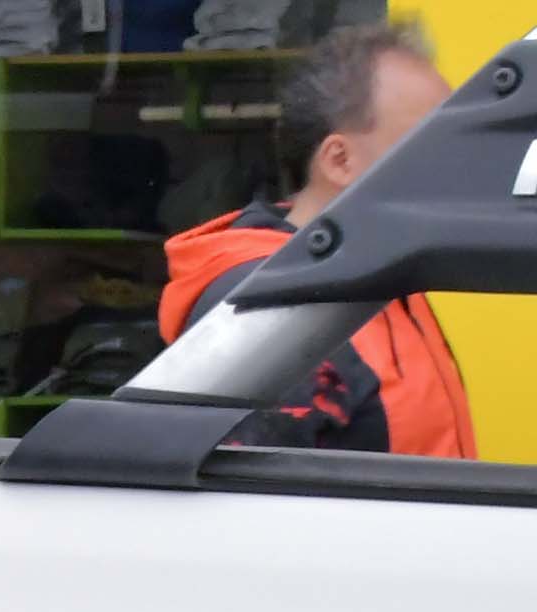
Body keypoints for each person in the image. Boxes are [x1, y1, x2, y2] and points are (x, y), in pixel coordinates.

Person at [157, 19, 472, 456]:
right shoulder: (275, 304)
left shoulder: (377, 268)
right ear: (339, 160)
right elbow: (247, 511)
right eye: (429, 141)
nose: (456, 164)